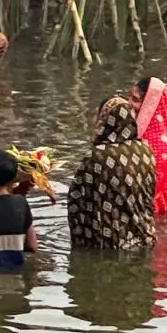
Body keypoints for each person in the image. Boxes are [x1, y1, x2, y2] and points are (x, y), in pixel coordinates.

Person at [65, 96, 159, 253]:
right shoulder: (146, 151)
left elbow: (77, 199)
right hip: (146, 236)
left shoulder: (98, 156)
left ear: (105, 120)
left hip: (111, 243)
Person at [133, 77, 167, 220]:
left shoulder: (158, 145)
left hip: (152, 215)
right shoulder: (147, 135)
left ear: (149, 104)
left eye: (135, 100)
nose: (128, 104)